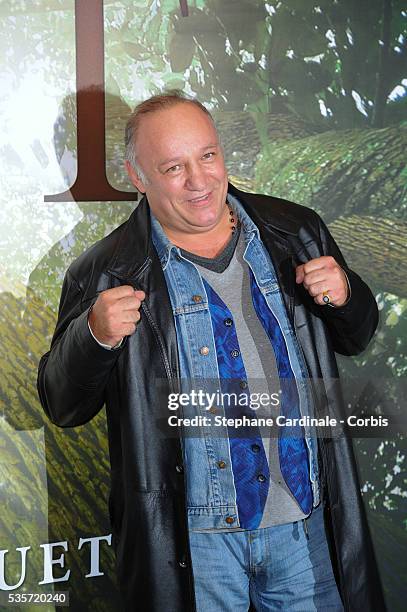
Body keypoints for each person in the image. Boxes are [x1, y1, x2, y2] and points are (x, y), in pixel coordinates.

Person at [38, 91, 385, 611]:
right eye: (173, 167)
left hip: (305, 530)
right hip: (196, 548)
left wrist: (347, 294)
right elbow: (62, 404)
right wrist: (94, 334)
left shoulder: (296, 232)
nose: (199, 181)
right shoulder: (103, 271)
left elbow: (356, 336)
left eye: (207, 156)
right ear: (139, 178)